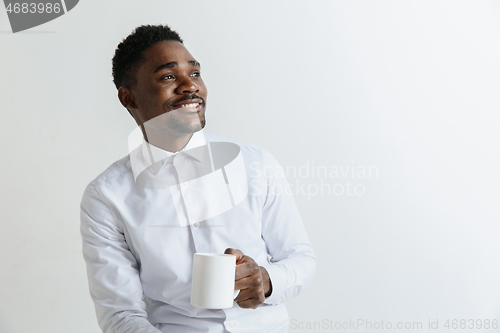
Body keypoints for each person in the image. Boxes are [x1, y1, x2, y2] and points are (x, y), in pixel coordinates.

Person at [80, 24, 316, 333]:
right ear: (129, 99)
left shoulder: (254, 163)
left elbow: (300, 259)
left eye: (194, 73)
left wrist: (267, 280)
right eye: (168, 77)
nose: (189, 86)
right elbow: (121, 314)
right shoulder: (106, 197)